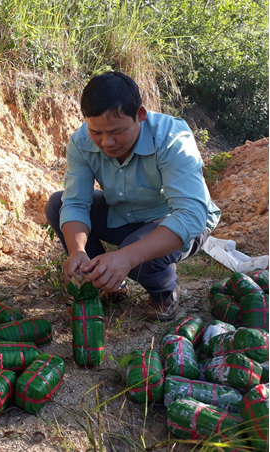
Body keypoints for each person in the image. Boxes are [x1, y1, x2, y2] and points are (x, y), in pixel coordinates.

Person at [45, 71, 221, 321]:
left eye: (117, 131)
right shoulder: (81, 141)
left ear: (140, 115)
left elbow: (190, 215)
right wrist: (77, 250)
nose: (107, 142)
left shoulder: (172, 139)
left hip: (173, 221)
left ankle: (164, 292)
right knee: (57, 204)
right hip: (124, 215)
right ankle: (106, 282)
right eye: (97, 133)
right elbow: (75, 203)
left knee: (135, 251)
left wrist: (127, 257)